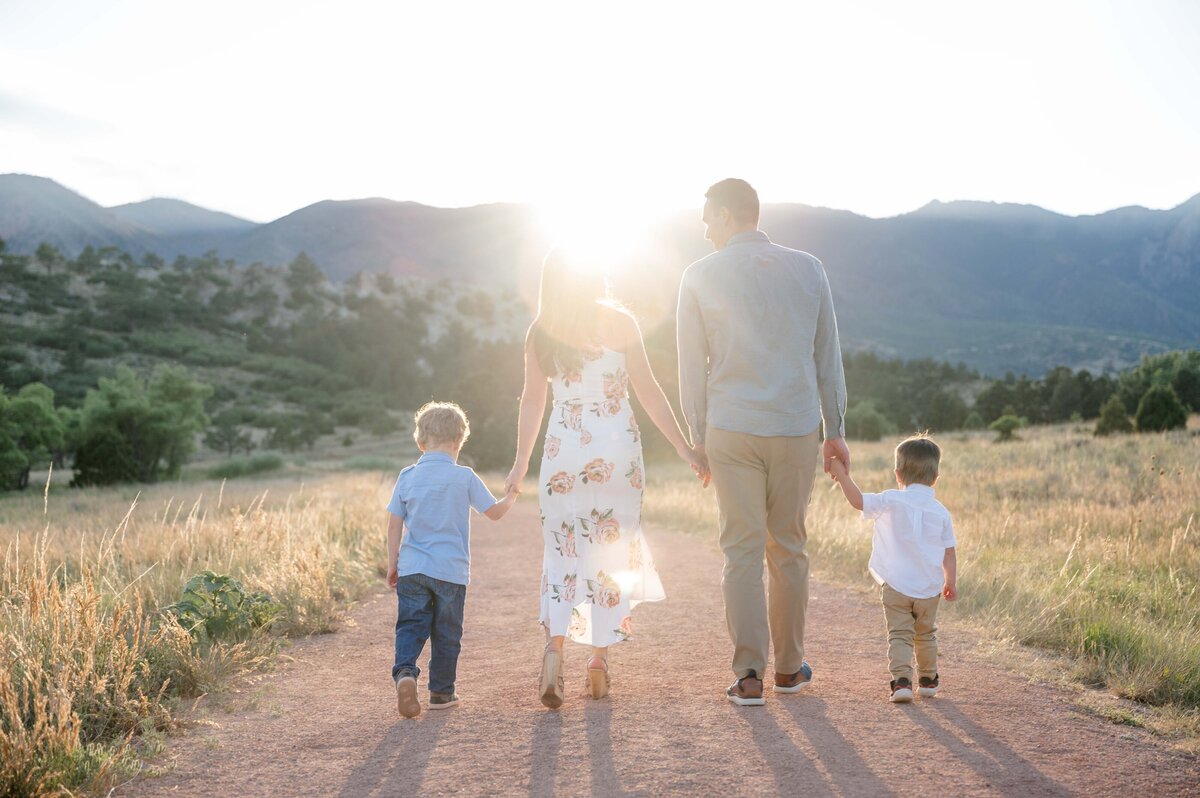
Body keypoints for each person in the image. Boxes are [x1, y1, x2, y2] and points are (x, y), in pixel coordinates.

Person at [505, 248, 708, 709]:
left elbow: (532, 402)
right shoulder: (621, 322)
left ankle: (555, 650)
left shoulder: (541, 331)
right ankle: (598, 661)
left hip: (563, 455)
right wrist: (684, 449)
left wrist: (519, 465)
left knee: (563, 553)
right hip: (616, 454)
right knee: (610, 551)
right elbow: (649, 391)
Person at [677, 178, 849, 706]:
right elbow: (828, 358)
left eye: (709, 216)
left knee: (742, 552)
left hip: (731, 428)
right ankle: (790, 669)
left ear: (729, 215)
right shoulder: (810, 268)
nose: (704, 227)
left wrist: (696, 435)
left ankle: (749, 673)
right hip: (797, 427)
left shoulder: (699, 276)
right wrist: (835, 429)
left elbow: (690, 367)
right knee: (789, 550)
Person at [386, 401, 519, 718]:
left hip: (413, 569)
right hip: (451, 572)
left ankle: (405, 673)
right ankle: (442, 693)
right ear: (460, 442)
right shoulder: (465, 477)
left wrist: (393, 563)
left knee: (410, 626)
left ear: (420, 442)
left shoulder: (407, 477)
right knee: (447, 633)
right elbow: (494, 513)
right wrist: (511, 495)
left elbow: (394, 524)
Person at [827, 434, 958, 702]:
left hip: (896, 585)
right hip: (929, 588)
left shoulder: (890, 500)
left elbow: (858, 501)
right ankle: (929, 680)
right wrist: (950, 582)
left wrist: (841, 475)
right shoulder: (941, 512)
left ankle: (901, 683)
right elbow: (949, 552)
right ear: (935, 478)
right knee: (926, 634)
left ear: (898, 474)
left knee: (899, 635)